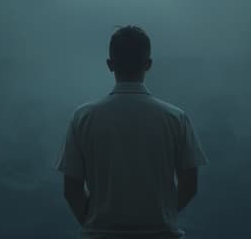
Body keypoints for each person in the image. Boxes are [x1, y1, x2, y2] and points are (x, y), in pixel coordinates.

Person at [56, 25, 208, 238]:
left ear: (110, 65)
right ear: (148, 64)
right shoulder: (176, 118)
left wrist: (94, 222)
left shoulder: (83, 118)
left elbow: (71, 189)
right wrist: (162, 215)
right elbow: (189, 184)